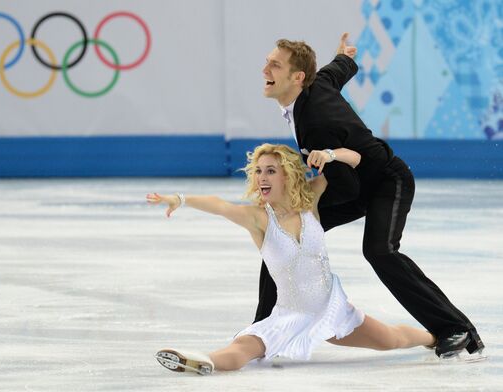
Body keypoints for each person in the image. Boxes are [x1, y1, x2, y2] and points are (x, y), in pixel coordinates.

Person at [258, 33, 483, 358]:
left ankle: (456, 329)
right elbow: (334, 73)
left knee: (380, 251)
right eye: (267, 61)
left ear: (297, 77)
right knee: (281, 236)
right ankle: (263, 330)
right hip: (357, 182)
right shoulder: (314, 86)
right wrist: (345, 57)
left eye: (274, 64)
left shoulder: (315, 122)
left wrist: (304, 203)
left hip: (386, 181)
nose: (265, 68)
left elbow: (346, 188)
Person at [148, 143, 435, 375]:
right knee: (245, 348)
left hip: (333, 309)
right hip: (290, 315)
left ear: (287, 175)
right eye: (259, 171)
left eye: (271, 170)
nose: (262, 177)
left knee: (392, 339)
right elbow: (221, 206)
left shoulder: (310, 199)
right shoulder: (259, 219)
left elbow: (358, 159)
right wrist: (180, 199)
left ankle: (436, 337)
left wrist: (331, 155)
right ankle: (200, 360)